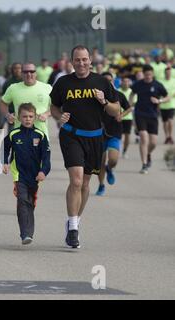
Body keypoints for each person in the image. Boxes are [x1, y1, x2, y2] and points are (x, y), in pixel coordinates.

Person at [50, 45, 120, 249]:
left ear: (91, 60)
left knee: (86, 183)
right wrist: (58, 116)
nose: (81, 63)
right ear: (72, 62)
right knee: (77, 180)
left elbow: (116, 109)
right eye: (77, 60)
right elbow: (54, 106)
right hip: (71, 135)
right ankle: (72, 229)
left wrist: (104, 100)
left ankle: (75, 221)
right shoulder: (63, 82)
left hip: (95, 137)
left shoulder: (102, 82)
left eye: (84, 59)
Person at [2, 103, 51, 245]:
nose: (27, 119)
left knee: (30, 203)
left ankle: (28, 230)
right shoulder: (13, 134)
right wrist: (5, 162)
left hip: (34, 176)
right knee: (22, 201)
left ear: (35, 117)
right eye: (24, 116)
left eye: (30, 116)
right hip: (19, 174)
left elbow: (46, 157)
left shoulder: (40, 136)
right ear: (19, 117)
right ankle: (26, 234)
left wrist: (43, 171)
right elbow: (5, 149)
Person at [96, 72, 132, 196]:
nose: (108, 82)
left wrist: (121, 115)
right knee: (100, 162)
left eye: (110, 80)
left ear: (113, 81)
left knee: (113, 160)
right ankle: (101, 185)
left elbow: (129, 108)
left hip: (115, 131)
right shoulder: (95, 96)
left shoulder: (119, 95)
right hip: (99, 133)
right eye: (105, 80)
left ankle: (109, 169)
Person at [129, 65, 169, 174]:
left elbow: (167, 96)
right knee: (143, 138)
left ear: (152, 74)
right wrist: (130, 103)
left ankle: (148, 153)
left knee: (153, 142)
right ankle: (144, 164)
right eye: (146, 75)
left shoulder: (157, 85)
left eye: (150, 75)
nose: (148, 77)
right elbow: (132, 93)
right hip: (140, 114)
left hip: (153, 115)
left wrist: (159, 101)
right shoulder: (138, 84)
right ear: (143, 74)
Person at [0, 63, 53, 139]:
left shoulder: (47, 88)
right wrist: (7, 115)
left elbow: (57, 106)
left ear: (36, 73)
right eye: (25, 72)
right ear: (21, 74)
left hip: (41, 135)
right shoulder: (13, 88)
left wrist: (47, 114)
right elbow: (3, 103)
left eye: (32, 71)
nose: (29, 74)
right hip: (20, 136)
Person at [1, 62, 23, 132]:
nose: (17, 70)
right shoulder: (8, 82)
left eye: (19, 68)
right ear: (12, 70)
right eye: (15, 68)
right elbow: (4, 99)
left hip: (25, 112)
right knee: (12, 134)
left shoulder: (25, 81)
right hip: (12, 112)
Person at [118, 76, 135, 158]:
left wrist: (124, 114)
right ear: (121, 82)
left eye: (127, 81)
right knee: (119, 136)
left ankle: (125, 151)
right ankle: (117, 150)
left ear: (130, 83)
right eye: (124, 81)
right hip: (118, 117)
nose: (126, 83)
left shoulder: (132, 92)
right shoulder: (117, 91)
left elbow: (132, 106)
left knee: (127, 136)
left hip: (128, 117)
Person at [159, 67, 175, 144]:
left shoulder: (174, 81)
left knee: (170, 120)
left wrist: (170, 97)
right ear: (165, 73)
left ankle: (171, 136)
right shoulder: (161, 82)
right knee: (165, 122)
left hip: (172, 104)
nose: (168, 74)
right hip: (163, 105)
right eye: (167, 72)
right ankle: (167, 136)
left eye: (169, 72)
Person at [0, 65, 10, 129]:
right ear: (5, 70)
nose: (8, 71)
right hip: (1, 103)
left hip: (11, 105)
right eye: (7, 69)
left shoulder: (13, 80)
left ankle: (10, 137)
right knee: (1, 122)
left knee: (11, 123)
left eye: (10, 69)